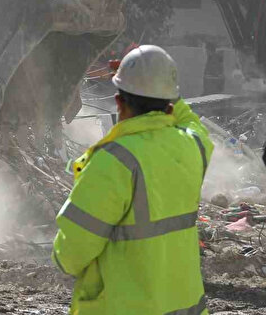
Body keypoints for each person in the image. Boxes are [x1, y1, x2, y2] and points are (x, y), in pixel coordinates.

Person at [52, 45, 213, 315]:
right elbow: (192, 122)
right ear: (170, 103)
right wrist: (157, 83)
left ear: (118, 101)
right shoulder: (193, 146)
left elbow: (71, 254)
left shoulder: (113, 161)